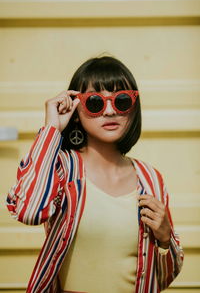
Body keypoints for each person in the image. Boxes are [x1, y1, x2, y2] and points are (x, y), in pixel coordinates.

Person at [7, 56, 184, 293]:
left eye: (121, 101)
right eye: (94, 102)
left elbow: (161, 278)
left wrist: (165, 239)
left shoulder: (150, 178)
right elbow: (29, 211)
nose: (110, 111)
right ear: (76, 110)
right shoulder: (61, 167)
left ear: (133, 109)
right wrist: (51, 128)